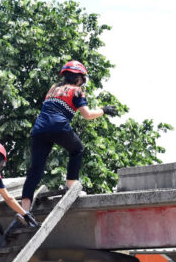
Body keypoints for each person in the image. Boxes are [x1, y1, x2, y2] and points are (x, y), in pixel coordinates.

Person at [20, 60, 119, 212]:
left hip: (39, 129)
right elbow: (87, 115)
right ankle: (70, 186)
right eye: (82, 79)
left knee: (35, 170)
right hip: (59, 127)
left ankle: (24, 211)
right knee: (77, 149)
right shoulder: (77, 90)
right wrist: (104, 110)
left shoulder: (53, 88)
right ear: (78, 77)